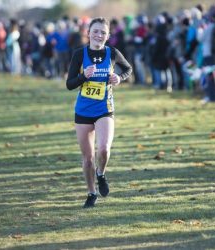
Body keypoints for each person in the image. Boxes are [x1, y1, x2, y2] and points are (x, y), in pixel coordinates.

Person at [66, 17, 132, 208]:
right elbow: (70, 84)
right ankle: (91, 192)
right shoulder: (79, 54)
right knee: (87, 158)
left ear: (108, 35)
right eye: (95, 31)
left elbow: (128, 69)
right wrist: (82, 76)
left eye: (103, 32)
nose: (99, 35)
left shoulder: (113, 53)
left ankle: (101, 173)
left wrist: (119, 78)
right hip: (83, 111)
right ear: (88, 33)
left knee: (103, 148)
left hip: (105, 109)